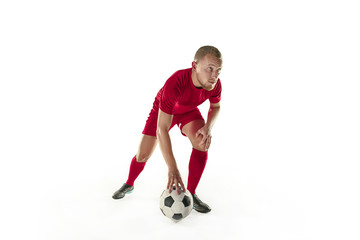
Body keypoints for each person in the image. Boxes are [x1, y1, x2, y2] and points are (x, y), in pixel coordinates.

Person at [112, 45, 223, 213]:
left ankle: (191, 194)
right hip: (162, 111)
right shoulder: (176, 82)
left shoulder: (214, 84)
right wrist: (172, 168)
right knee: (143, 155)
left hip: (188, 111)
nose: (214, 75)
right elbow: (161, 129)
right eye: (210, 68)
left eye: (218, 70)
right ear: (194, 66)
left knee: (201, 142)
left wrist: (208, 127)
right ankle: (129, 183)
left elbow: (216, 106)